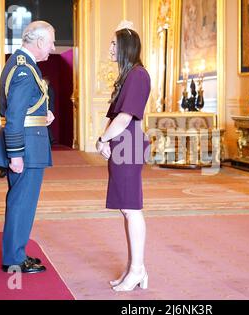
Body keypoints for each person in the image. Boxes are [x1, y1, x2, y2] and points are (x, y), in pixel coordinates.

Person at [0, 20, 56, 273]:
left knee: (21, 201)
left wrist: (44, 114)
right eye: (50, 42)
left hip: (29, 142)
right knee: (22, 202)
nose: (51, 47)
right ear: (39, 41)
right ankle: (14, 259)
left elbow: (25, 108)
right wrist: (16, 154)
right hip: (26, 147)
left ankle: (16, 253)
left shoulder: (23, 65)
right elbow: (16, 115)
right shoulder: (24, 69)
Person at [96, 20, 151, 292]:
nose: (110, 48)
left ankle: (138, 270)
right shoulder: (127, 76)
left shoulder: (138, 75)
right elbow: (114, 117)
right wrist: (105, 141)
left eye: (114, 44)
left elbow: (126, 117)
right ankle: (134, 268)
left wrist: (101, 139)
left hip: (128, 144)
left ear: (125, 47)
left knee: (132, 209)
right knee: (126, 209)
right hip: (121, 144)